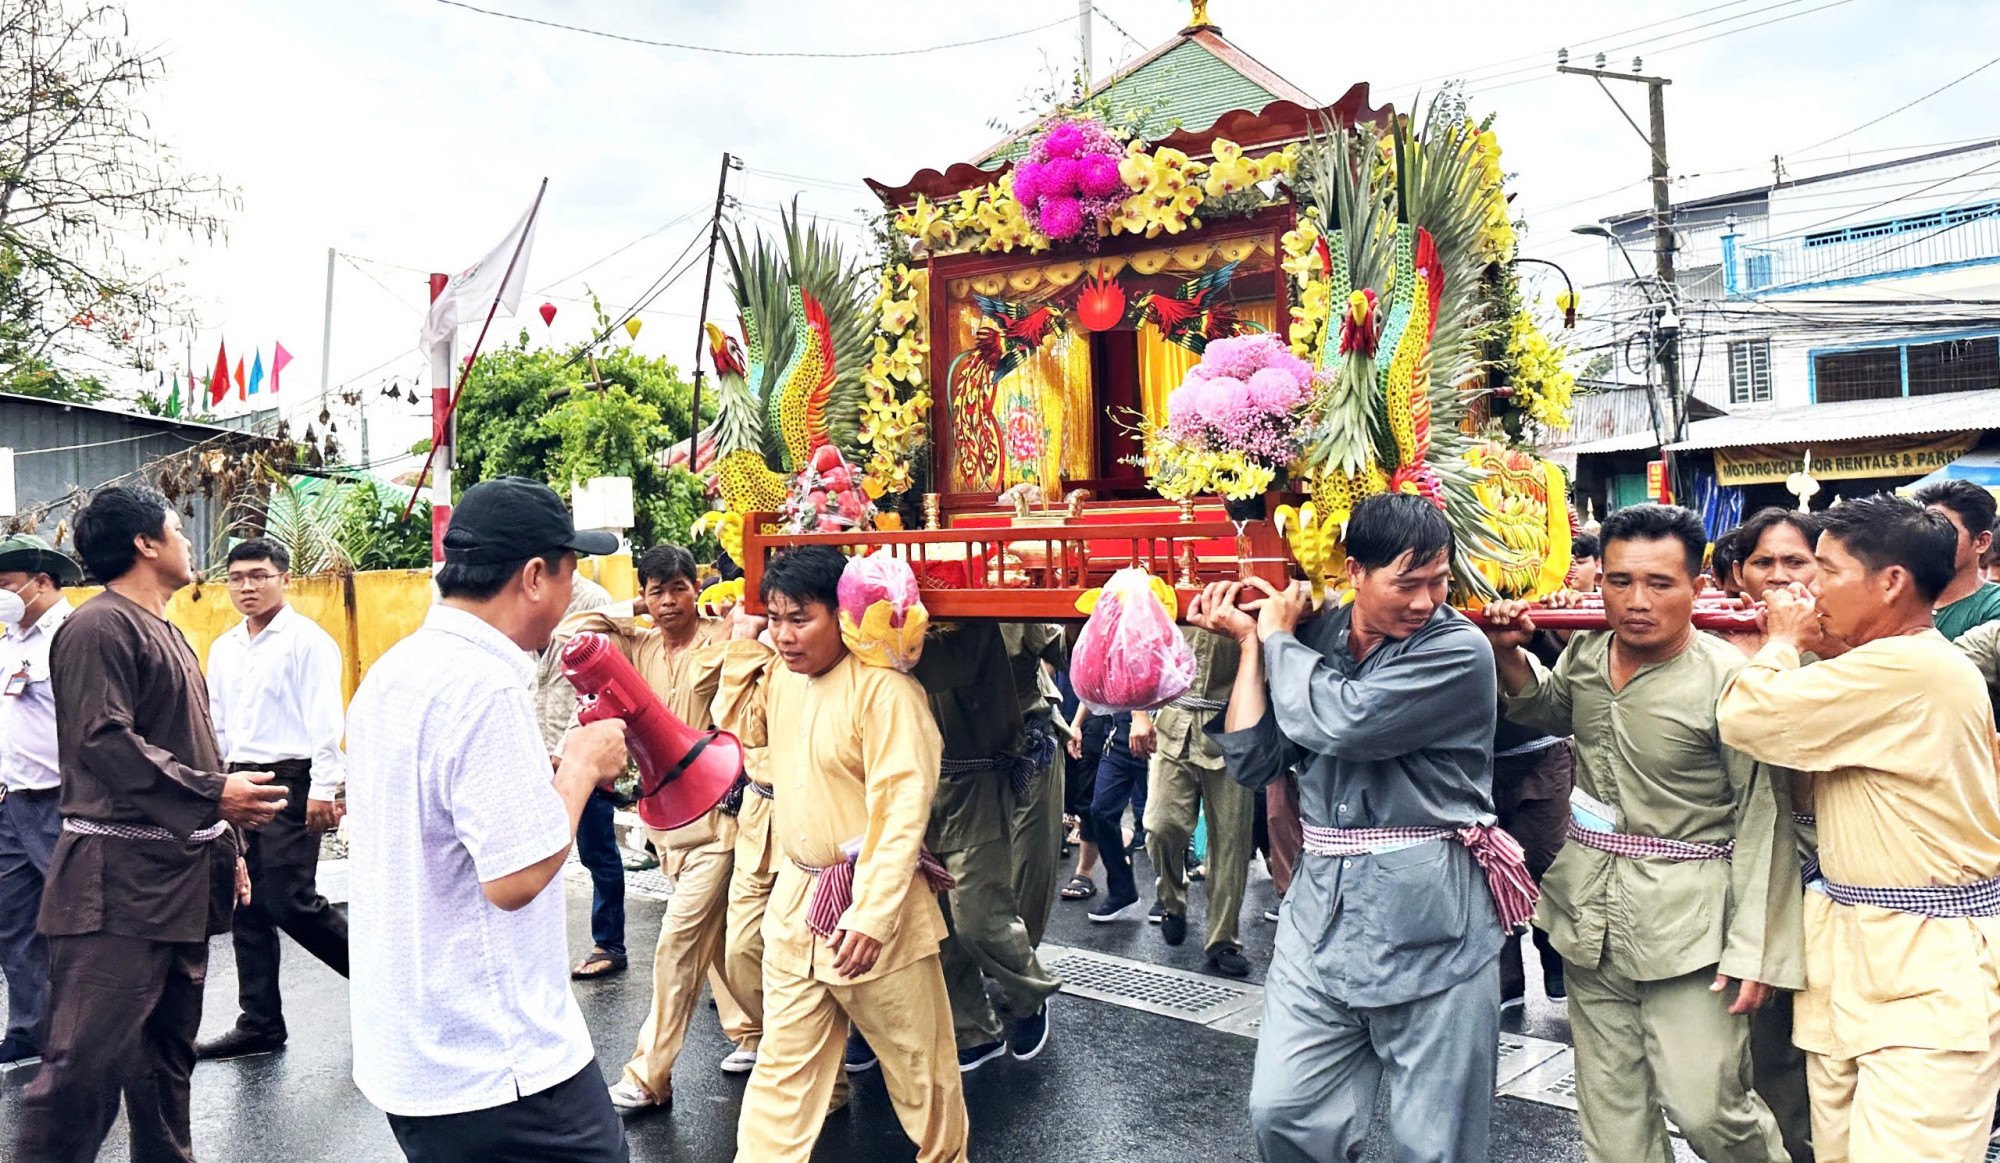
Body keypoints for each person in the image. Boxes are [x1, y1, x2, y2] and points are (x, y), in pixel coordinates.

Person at [1191, 492, 1517, 1163]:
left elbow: (1343, 721)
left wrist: (1278, 637)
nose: (1425, 600)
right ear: (1354, 571)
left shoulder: (1459, 649)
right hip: (1322, 915)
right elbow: (1254, 760)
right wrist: (1256, 643)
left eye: (1439, 582)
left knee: (1438, 1144)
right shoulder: (1316, 636)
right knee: (1283, 1110)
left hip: (1436, 923)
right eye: (1408, 582)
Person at [1482, 503, 1801, 1163]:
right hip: (1588, 913)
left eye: (1660, 583)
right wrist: (1509, 656)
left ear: (1696, 587)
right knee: (1612, 1112)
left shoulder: (1729, 681)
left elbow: (1762, 817)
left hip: (1692, 928)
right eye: (1619, 581)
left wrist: (1756, 949)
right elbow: (1549, 707)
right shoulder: (1587, 655)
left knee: (1708, 1105)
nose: (1636, 600)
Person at [343, 476, 632, 1162]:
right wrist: (583, 765)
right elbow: (517, 874)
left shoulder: (395, 669)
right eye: (569, 573)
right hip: (496, 1063)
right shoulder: (485, 684)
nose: (571, 596)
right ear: (535, 576)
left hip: (411, 1056)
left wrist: (551, 771)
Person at [1720, 495, 2000, 1162]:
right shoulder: (1883, 664)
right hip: (1860, 965)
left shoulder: (1908, 668)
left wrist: (1781, 644)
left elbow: (1747, 717)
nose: (1804, 587)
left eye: (1824, 569)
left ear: (1892, 582)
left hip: (1923, 978)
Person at [15, 486, 289, 1163]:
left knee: (164, 1056)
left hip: (178, 878)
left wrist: (224, 839)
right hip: (116, 885)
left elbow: (188, 748)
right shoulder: (97, 626)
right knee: (84, 1065)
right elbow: (103, 742)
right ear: (146, 542)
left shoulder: (164, 628)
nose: (188, 541)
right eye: (177, 527)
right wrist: (212, 796)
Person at [726, 546, 970, 1163]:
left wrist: (871, 912)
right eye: (774, 617)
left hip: (873, 911)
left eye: (799, 618)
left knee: (922, 1074)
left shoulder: (888, 693)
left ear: (843, 614)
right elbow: (738, 737)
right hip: (796, 903)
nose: (782, 635)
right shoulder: (780, 678)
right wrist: (737, 648)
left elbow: (901, 812)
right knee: (781, 1069)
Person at [560, 544, 762, 1112]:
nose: (670, 601)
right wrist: (633, 610)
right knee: (714, 942)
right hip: (666, 822)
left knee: (677, 943)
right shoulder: (637, 643)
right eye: (657, 590)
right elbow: (571, 630)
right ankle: (756, 1034)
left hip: (720, 813)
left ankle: (650, 1074)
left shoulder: (719, 638)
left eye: (678, 588)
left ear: (696, 587)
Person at [193, 538, 352, 1061]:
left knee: (289, 899)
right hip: (236, 782)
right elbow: (215, 724)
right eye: (237, 577)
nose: (247, 586)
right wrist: (214, 785)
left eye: (259, 575)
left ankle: (389, 988)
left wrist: (325, 790)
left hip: (290, 780)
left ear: (285, 579)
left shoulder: (307, 641)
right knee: (246, 904)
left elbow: (326, 721)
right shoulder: (225, 647)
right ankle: (259, 1023)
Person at [1718, 505, 1827, 1163]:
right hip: (1725, 862)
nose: (1779, 576)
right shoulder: (1708, 642)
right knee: (1739, 1048)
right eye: (1764, 562)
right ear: (1738, 572)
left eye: (1796, 561)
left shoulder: (1840, 647)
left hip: (1813, 861)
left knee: (1795, 1043)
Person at [911, 622, 1060, 1072]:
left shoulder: (982, 602)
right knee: (939, 919)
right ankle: (973, 1027)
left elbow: (938, 664)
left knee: (982, 915)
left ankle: (1027, 994)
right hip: (919, 777)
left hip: (992, 768)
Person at [0, 533, 80, 1068]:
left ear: (41, 582)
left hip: (64, 802)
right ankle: (30, 1029)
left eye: (4, 586)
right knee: (16, 921)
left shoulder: (75, 636)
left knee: (76, 922)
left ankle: (84, 1032)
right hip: (12, 803)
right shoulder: (8, 639)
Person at [1145, 624, 1255, 978]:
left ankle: (1223, 939)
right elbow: (1141, 645)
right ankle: (1172, 900)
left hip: (1234, 723)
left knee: (1231, 843)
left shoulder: (1249, 582)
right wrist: (1137, 714)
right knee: (1161, 826)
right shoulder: (1164, 580)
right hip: (1173, 719)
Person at [533, 568, 623, 978]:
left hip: (580, 753)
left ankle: (610, 944)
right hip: (533, 751)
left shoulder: (593, 602)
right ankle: (537, 952)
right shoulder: (524, 600)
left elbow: (596, 687)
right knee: (530, 860)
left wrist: (563, 752)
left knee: (597, 852)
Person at [998, 623, 1067, 946]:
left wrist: (1085, 603)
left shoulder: (1015, 592)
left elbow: (1070, 651)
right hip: (950, 755)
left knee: (1029, 867)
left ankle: (1019, 973)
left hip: (1029, 741)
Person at [1083, 708, 1152, 925]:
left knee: (1160, 821)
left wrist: (1141, 714)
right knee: (1101, 811)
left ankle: (1171, 894)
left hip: (1160, 728)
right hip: (1119, 731)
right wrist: (1077, 722)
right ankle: (1122, 891)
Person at [1913, 478, 2000, 639]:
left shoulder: (1994, 606)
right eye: (1924, 529)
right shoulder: (1897, 598)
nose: (1930, 539)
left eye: (1945, 531)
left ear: (1982, 542)